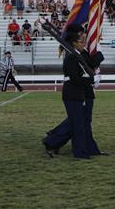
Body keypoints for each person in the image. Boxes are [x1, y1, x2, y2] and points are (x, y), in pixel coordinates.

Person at [43, 28, 106, 159]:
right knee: (78, 123)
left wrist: (98, 53)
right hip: (75, 92)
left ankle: (83, 147)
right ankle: (54, 141)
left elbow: (88, 65)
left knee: (81, 122)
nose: (84, 42)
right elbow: (76, 76)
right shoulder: (72, 56)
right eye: (81, 40)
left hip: (81, 92)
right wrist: (92, 79)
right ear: (74, 43)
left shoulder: (79, 53)